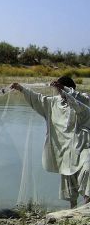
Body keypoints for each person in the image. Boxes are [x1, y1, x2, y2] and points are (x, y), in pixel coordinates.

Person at [11, 76, 90, 208]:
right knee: (69, 178)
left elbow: (79, 101)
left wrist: (64, 89)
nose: (60, 93)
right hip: (65, 148)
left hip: (83, 145)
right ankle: (73, 209)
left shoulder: (83, 98)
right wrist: (21, 88)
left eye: (61, 89)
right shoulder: (53, 103)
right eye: (59, 90)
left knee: (87, 170)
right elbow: (37, 99)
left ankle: (87, 206)